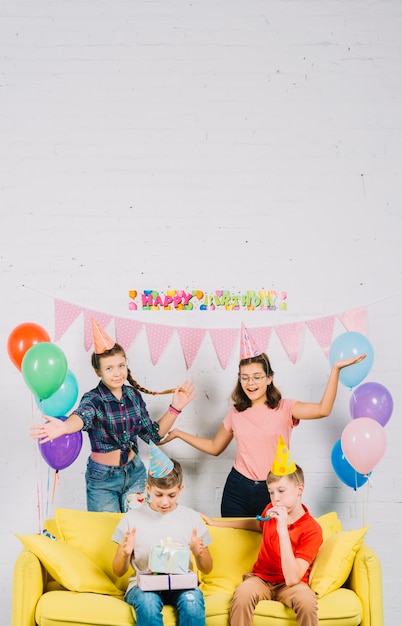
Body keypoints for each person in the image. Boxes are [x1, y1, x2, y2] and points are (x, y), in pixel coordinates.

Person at [161, 323, 366, 517]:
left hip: (273, 490)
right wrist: (179, 433)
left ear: (269, 378)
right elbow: (215, 447)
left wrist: (336, 370)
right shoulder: (236, 412)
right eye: (245, 377)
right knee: (236, 548)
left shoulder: (285, 407)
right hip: (237, 490)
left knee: (269, 546)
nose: (250, 383)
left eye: (257, 376)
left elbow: (323, 410)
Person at [30, 318, 196, 513]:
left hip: (135, 473)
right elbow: (82, 415)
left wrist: (174, 408)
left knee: (138, 531)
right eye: (109, 368)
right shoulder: (94, 399)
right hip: (103, 480)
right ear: (97, 371)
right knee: (108, 535)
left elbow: (152, 436)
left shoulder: (133, 396)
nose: (117, 373)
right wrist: (66, 427)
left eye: (121, 366)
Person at [202, 437, 323, 626]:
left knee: (307, 602)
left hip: (291, 585)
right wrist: (217, 523)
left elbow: (292, 579)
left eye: (281, 491)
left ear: (299, 489)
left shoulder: (312, 530)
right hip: (261, 580)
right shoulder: (269, 510)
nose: (276, 498)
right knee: (242, 594)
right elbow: (256, 523)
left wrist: (282, 528)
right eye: (271, 492)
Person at [112, 443, 213, 626]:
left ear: (180, 490)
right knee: (148, 604)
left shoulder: (191, 518)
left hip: (182, 585)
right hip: (143, 587)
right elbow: (118, 571)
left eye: (172, 495)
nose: (165, 502)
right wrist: (124, 553)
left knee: (192, 602)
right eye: (159, 495)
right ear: (148, 488)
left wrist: (199, 553)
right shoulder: (132, 518)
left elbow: (207, 569)